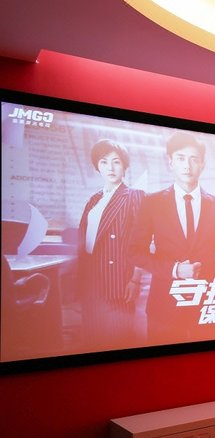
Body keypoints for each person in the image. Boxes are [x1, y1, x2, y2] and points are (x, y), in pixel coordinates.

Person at [129, 131, 215, 343]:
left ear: (202, 164)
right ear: (170, 162)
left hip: (207, 305)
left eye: (194, 159)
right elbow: (136, 252)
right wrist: (174, 270)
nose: (187, 166)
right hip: (164, 306)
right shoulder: (152, 203)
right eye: (181, 158)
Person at [77, 139, 144, 344]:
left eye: (116, 162)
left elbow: (142, 243)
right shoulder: (94, 199)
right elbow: (84, 241)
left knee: (118, 340)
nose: (110, 168)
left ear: (124, 166)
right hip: (91, 280)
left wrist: (135, 280)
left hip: (118, 281)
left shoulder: (134, 196)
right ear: (97, 166)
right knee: (93, 341)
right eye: (104, 162)